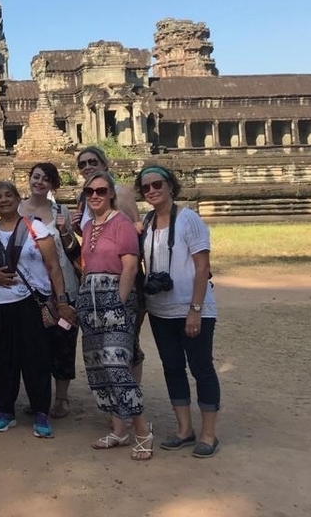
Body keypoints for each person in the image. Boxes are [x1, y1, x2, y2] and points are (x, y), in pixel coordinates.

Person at [0, 180, 76, 437]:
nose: (4, 200)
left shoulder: (35, 227)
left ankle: (40, 410)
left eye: (9, 195)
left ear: (18, 199)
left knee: (36, 358)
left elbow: (53, 267)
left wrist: (61, 300)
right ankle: (5, 410)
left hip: (32, 303)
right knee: (0, 358)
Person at [135, 165, 221, 458]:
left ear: (171, 186)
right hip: (160, 310)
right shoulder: (146, 222)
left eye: (157, 184)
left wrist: (195, 309)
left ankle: (209, 433)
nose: (152, 191)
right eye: (146, 188)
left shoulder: (188, 219)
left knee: (201, 368)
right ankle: (185, 429)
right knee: (172, 367)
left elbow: (202, 266)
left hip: (192, 307)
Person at [78, 170, 153, 461]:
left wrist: (119, 304)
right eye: (89, 192)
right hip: (90, 298)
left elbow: (131, 268)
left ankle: (143, 431)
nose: (94, 196)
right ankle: (119, 430)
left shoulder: (121, 223)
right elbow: (87, 265)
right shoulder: (88, 228)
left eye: (100, 191)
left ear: (111, 194)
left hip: (116, 297)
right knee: (98, 367)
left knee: (117, 366)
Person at [71, 146, 147, 386]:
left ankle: (131, 399)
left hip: (123, 275)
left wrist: (123, 294)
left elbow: (136, 229)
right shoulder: (84, 196)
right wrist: (74, 228)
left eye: (92, 161)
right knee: (102, 344)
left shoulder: (121, 193)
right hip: (94, 281)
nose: (87, 167)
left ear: (105, 163)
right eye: (82, 164)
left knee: (126, 341)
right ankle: (116, 401)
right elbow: (93, 236)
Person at [19, 163, 80, 419]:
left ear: (53, 185)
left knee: (64, 341)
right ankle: (39, 396)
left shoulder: (61, 210)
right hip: (31, 289)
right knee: (35, 346)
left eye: (46, 179)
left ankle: (62, 397)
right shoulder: (17, 209)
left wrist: (66, 229)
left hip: (63, 285)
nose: (40, 182)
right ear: (29, 179)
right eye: (36, 177)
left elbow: (74, 250)